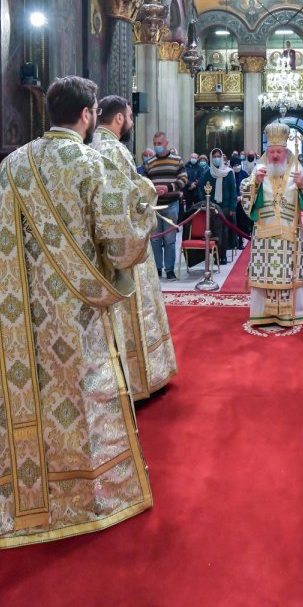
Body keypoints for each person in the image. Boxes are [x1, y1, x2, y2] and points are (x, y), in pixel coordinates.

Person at [0, 76, 157, 547]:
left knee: (38, 393)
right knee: (86, 392)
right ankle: (91, 496)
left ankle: (32, 502)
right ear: (87, 115)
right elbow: (121, 244)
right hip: (80, 308)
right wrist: (143, 207)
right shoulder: (92, 163)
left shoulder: (13, 164)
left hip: (25, 310)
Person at [92, 95, 177, 400]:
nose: (130, 121)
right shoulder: (115, 149)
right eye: (129, 116)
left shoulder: (89, 147)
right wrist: (150, 190)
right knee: (134, 307)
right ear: (119, 119)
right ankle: (140, 377)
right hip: (125, 244)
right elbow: (130, 199)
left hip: (99, 244)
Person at [241, 122, 303, 327]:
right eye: (272, 151)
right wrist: (255, 183)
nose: (275, 155)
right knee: (265, 274)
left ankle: (291, 314)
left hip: (289, 233)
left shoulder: (297, 168)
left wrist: (302, 185)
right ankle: (262, 314)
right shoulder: (259, 168)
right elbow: (245, 196)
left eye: (279, 151)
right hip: (264, 234)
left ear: (286, 151)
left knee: (288, 274)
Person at [144, 132, 187, 280]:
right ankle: (157, 268)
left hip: (171, 204)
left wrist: (168, 188)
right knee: (155, 239)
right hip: (155, 206)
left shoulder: (177, 160)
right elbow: (145, 182)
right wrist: (152, 188)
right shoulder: (150, 162)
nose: (157, 146)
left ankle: (169, 269)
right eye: (155, 144)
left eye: (160, 143)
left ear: (166, 143)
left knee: (169, 239)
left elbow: (183, 179)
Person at [197, 147, 239, 265]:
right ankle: (216, 255)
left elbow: (233, 190)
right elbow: (202, 189)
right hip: (212, 206)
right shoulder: (207, 173)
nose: (216, 158)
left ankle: (223, 255)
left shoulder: (228, 172)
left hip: (225, 206)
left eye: (218, 156)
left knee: (224, 231)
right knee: (215, 231)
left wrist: (232, 207)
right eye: (214, 157)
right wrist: (205, 203)